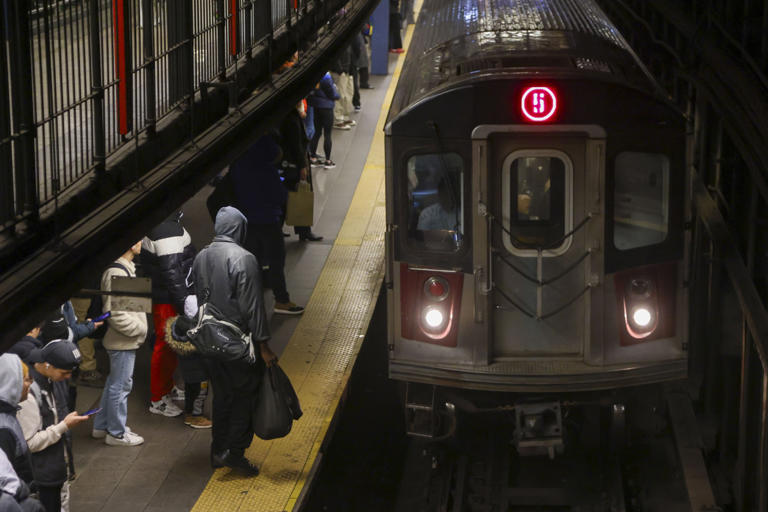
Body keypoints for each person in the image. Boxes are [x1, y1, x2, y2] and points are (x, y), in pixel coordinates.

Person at [192, 206, 278, 474]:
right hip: (237, 343)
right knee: (245, 395)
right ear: (239, 229)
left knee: (222, 396)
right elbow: (253, 308)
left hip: (208, 341)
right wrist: (263, 345)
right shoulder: (244, 259)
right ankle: (236, 453)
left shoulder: (201, 256)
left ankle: (217, 451)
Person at [230, 136, 305, 315]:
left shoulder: (238, 166)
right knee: (276, 260)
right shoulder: (266, 170)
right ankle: (282, 300)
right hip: (268, 220)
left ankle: (246, 300)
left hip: (246, 221)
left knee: (250, 261)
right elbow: (279, 197)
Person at [19, 340, 87, 512]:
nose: (68, 377)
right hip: (42, 477)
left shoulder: (51, 380)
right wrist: (63, 426)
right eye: (64, 372)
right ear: (47, 365)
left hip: (56, 468)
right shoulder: (30, 394)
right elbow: (30, 443)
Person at [92, 242, 148, 447]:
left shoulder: (124, 269)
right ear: (131, 244)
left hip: (120, 340)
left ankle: (101, 425)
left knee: (113, 384)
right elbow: (116, 315)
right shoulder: (119, 272)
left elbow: (130, 308)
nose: (142, 242)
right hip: (122, 342)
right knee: (121, 386)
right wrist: (141, 330)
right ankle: (116, 433)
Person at [141, 213, 197, 418]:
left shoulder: (162, 224)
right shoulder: (167, 231)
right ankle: (158, 398)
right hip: (168, 299)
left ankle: (167, 386)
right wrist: (184, 303)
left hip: (164, 296)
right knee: (165, 345)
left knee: (168, 344)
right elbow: (172, 272)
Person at [279, 103, 323, 242]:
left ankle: (281, 229)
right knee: (298, 195)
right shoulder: (291, 119)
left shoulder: (289, 115)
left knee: (287, 198)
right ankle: (303, 231)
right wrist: (302, 166)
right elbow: (296, 145)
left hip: (290, 164)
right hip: (295, 165)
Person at [0, 354, 35, 491]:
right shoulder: (4, 430)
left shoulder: (8, 415)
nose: (30, 384)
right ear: (12, 384)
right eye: (26, 379)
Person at [308, 72, 341, 169]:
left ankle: (312, 157)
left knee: (317, 132)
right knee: (327, 134)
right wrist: (337, 95)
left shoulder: (313, 74)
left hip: (316, 106)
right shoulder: (325, 76)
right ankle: (328, 160)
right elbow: (332, 93)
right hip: (327, 108)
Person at [330, 45, 355, 130]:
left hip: (347, 70)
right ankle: (338, 120)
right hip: (339, 72)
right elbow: (333, 55)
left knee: (348, 95)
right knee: (340, 96)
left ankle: (345, 116)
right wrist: (340, 70)